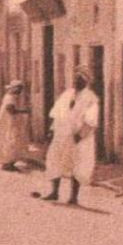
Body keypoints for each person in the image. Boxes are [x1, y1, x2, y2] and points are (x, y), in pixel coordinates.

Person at [44, 65, 100, 205]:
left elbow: (91, 120)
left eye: (80, 79)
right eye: (75, 79)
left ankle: (73, 196)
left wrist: (80, 135)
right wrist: (52, 129)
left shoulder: (90, 98)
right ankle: (54, 192)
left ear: (86, 81)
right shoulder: (67, 94)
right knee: (55, 159)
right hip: (61, 133)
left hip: (78, 137)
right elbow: (58, 112)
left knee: (77, 164)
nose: (76, 82)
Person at [0, 80, 30, 172]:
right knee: (11, 140)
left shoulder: (10, 96)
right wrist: (24, 111)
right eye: (19, 89)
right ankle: (8, 162)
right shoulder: (10, 98)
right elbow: (11, 110)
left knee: (10, 140)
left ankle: (9, 162)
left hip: (9, 122)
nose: (20, 91)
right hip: (9, 122)